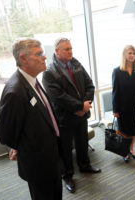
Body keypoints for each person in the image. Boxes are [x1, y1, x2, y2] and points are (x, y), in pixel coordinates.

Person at [0, 38, 62, 200]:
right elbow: (6, 134)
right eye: (38, 54)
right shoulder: (15, 92)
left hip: (50, 156)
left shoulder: (31, 80)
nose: (44, 57)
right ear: (23, 59)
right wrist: (20, 145)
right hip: (37, 163)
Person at [42, 37, 101, 194]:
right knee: (65, 149)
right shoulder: (49, 72)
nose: (70, 52)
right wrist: (79, 106)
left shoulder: (75, 63)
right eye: (67, 49)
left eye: (71, 48)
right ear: (57, 51)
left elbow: (89, 85)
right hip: (65, 118)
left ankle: (85, 166)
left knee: (82, 142)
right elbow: (57, 97)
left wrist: (84, 105)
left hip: (81, 114)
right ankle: (67, 176)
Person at [112, 45, 135, 163]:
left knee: (132, 129)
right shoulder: (117, 71)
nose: (132, 55)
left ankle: (131, 149)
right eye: (130, 53)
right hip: (122, 107)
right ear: (125, 55)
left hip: (134, 106)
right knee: (123, 130)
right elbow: (115, 92)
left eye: (134, 53)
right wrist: (115, 109)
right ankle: (125, 151)